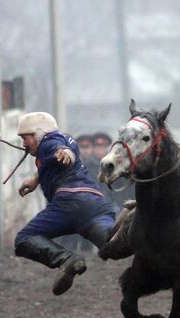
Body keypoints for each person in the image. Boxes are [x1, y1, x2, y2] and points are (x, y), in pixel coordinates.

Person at [14, 112, 115, 296]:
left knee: (24, 238)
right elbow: (60, 153)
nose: (23, 143)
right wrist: (36, 179)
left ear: (38, 133)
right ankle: (137, 227)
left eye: (25, 137)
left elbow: (60, 148)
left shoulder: (50, 143)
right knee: (113, 245)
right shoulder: (59, 142)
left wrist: (65, 152)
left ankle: (66, 259)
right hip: (96, 205)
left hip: (69, 204)